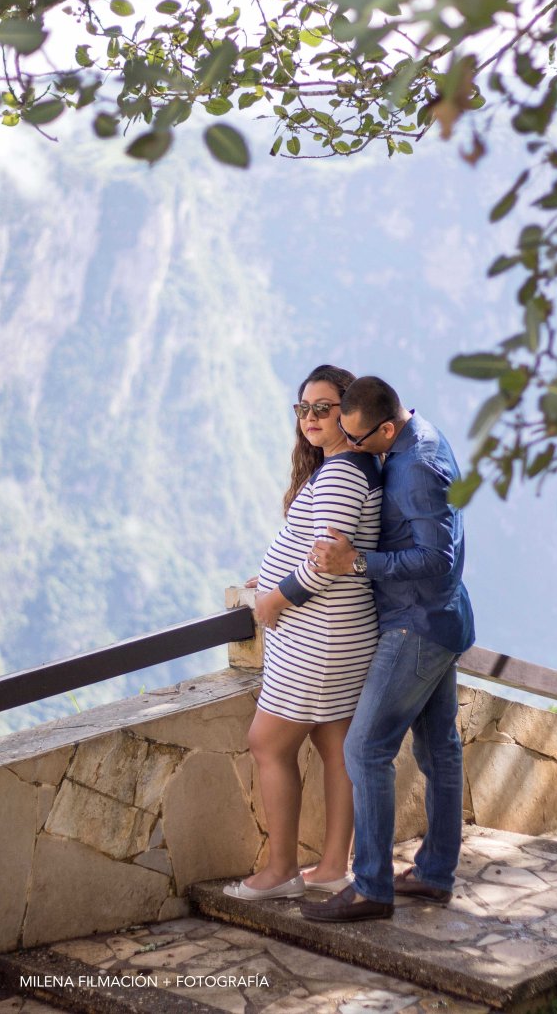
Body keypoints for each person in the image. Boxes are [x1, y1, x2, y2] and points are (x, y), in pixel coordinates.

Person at [300, 375, 475, 922]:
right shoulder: (423, 435)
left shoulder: (414, 467)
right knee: (439, 749)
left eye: (358, 439)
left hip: (415, 626)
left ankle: (372, 886)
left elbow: (437, 560)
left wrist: (358, 563)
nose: (350, 448)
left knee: (364, 749)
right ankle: (433, 874)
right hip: (444, 619)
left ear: (388, 427)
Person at [223, 365, 383, 901]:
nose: (311, 418)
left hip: (318, 638)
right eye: (304, 409)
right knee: (334, 744)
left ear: (350, 412)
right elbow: (313, 549)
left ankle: (281, 870)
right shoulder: (354, 467)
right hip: (343, 633)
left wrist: (274, 596)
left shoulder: (340, 473)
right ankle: (335, 865)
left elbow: (328, 558)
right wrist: (270, 572)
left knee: (266, 742)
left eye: (324, 407)